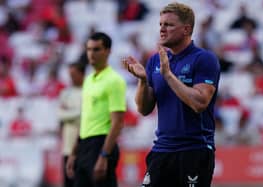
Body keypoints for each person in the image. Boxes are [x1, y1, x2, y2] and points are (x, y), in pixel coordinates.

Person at [123, 2, 220, 187]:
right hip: (161, 149)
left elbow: (200, 103)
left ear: (186, 29)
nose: (162, 29)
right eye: (160, 24)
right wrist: (143, 81)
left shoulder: (204, 59)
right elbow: (143, 109)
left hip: (194, 149)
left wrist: (168, 76)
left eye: (168, 25)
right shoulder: (155, 61)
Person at [66, 32, 127, 187]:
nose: (91, 54)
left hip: (101, 143)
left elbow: (118, 122)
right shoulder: (87, 81)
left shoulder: (114, 81)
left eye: (96, 49)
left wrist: (104, 155)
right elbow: (84, 118)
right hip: (84, 145)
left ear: (108, 51)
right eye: (89, 49)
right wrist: (74, 152)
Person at [57, 62, 85, 187]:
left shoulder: (88, 91)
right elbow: (60, 115)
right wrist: (79, 112)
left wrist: (70, 113)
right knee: (69, 182)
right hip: (68, 146)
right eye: (70, 75)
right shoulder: (65, 93)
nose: (71, 78)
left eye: (73, 74)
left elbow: (88, 116)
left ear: (81, 74)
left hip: (84, 146)